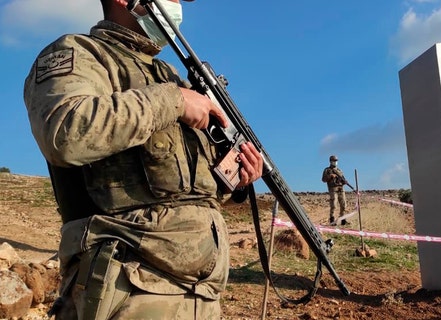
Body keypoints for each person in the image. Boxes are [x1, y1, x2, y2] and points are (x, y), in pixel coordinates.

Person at [23, 0, 263, 319]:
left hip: (201, 293)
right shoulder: (80, 53)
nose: (177, 7)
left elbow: (185, 188)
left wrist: (237, 177)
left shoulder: (169, 75)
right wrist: (173, 101)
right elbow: (65, 134)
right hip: (126, 286)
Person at [321, 155, 349, 226]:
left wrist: (345, 182)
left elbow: (343, 179)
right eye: (334, 161)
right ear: (330, 161)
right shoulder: (327, 170)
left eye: (336, 161)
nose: (335, 162)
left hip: (341, 189)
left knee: (343, 205)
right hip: (333, 189)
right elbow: (323, 179)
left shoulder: (339, 170)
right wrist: (330, 176)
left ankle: (343, 219)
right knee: (333, 205)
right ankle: (332, 219)